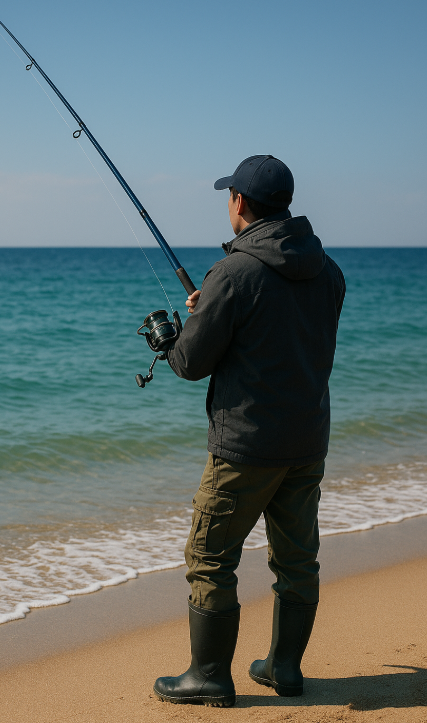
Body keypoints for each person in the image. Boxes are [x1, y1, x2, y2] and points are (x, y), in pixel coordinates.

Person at [153, 155, 345, 708]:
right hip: (306, 442)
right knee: (297, 561)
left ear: (239, 201)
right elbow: (287, 333)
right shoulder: (328, 270)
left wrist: (180, 333)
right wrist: (213, 308)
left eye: (229, 196)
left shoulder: (233, 273)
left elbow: (190, 362)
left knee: (210, 558)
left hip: (245, 447)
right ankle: (284, 668)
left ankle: (209, 676)